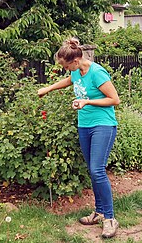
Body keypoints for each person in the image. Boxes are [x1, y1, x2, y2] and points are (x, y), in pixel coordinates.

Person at [37, 37, 120, 239]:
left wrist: (86, 102)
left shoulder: (97, 72)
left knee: (97, 170)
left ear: (75, 61)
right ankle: (99, 212)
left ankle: (110, 218)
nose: (66, 70)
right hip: (85, 126)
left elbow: (114, 99)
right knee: (92, 170)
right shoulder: (76, 71)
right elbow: (69, 81)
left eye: (66, 66)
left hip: (103, 125)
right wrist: (48, 89)